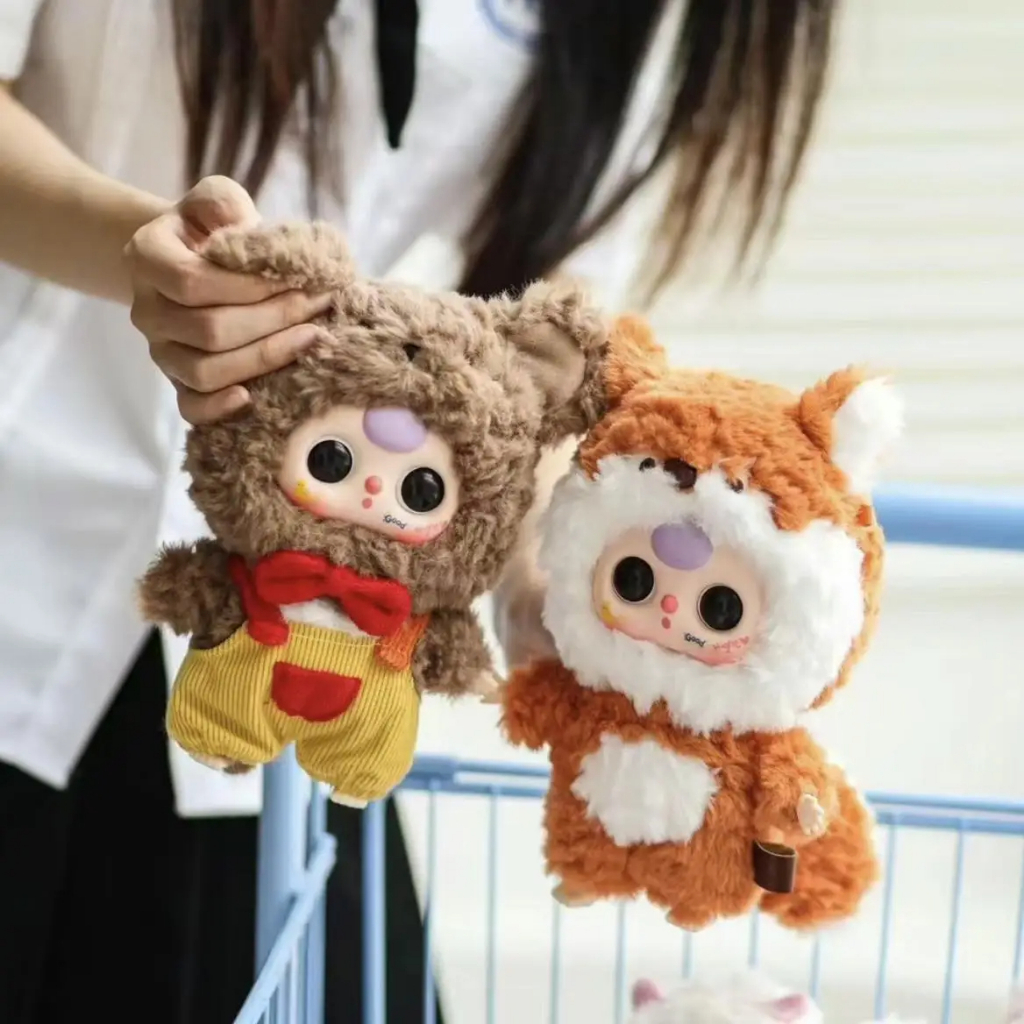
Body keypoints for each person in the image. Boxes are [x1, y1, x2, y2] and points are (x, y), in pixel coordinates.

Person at [0, 1, 837, 1021]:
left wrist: (541, 588)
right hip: (26, 512)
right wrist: (134, 251)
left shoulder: (610, 29)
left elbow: (544, 368)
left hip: (305, 628)